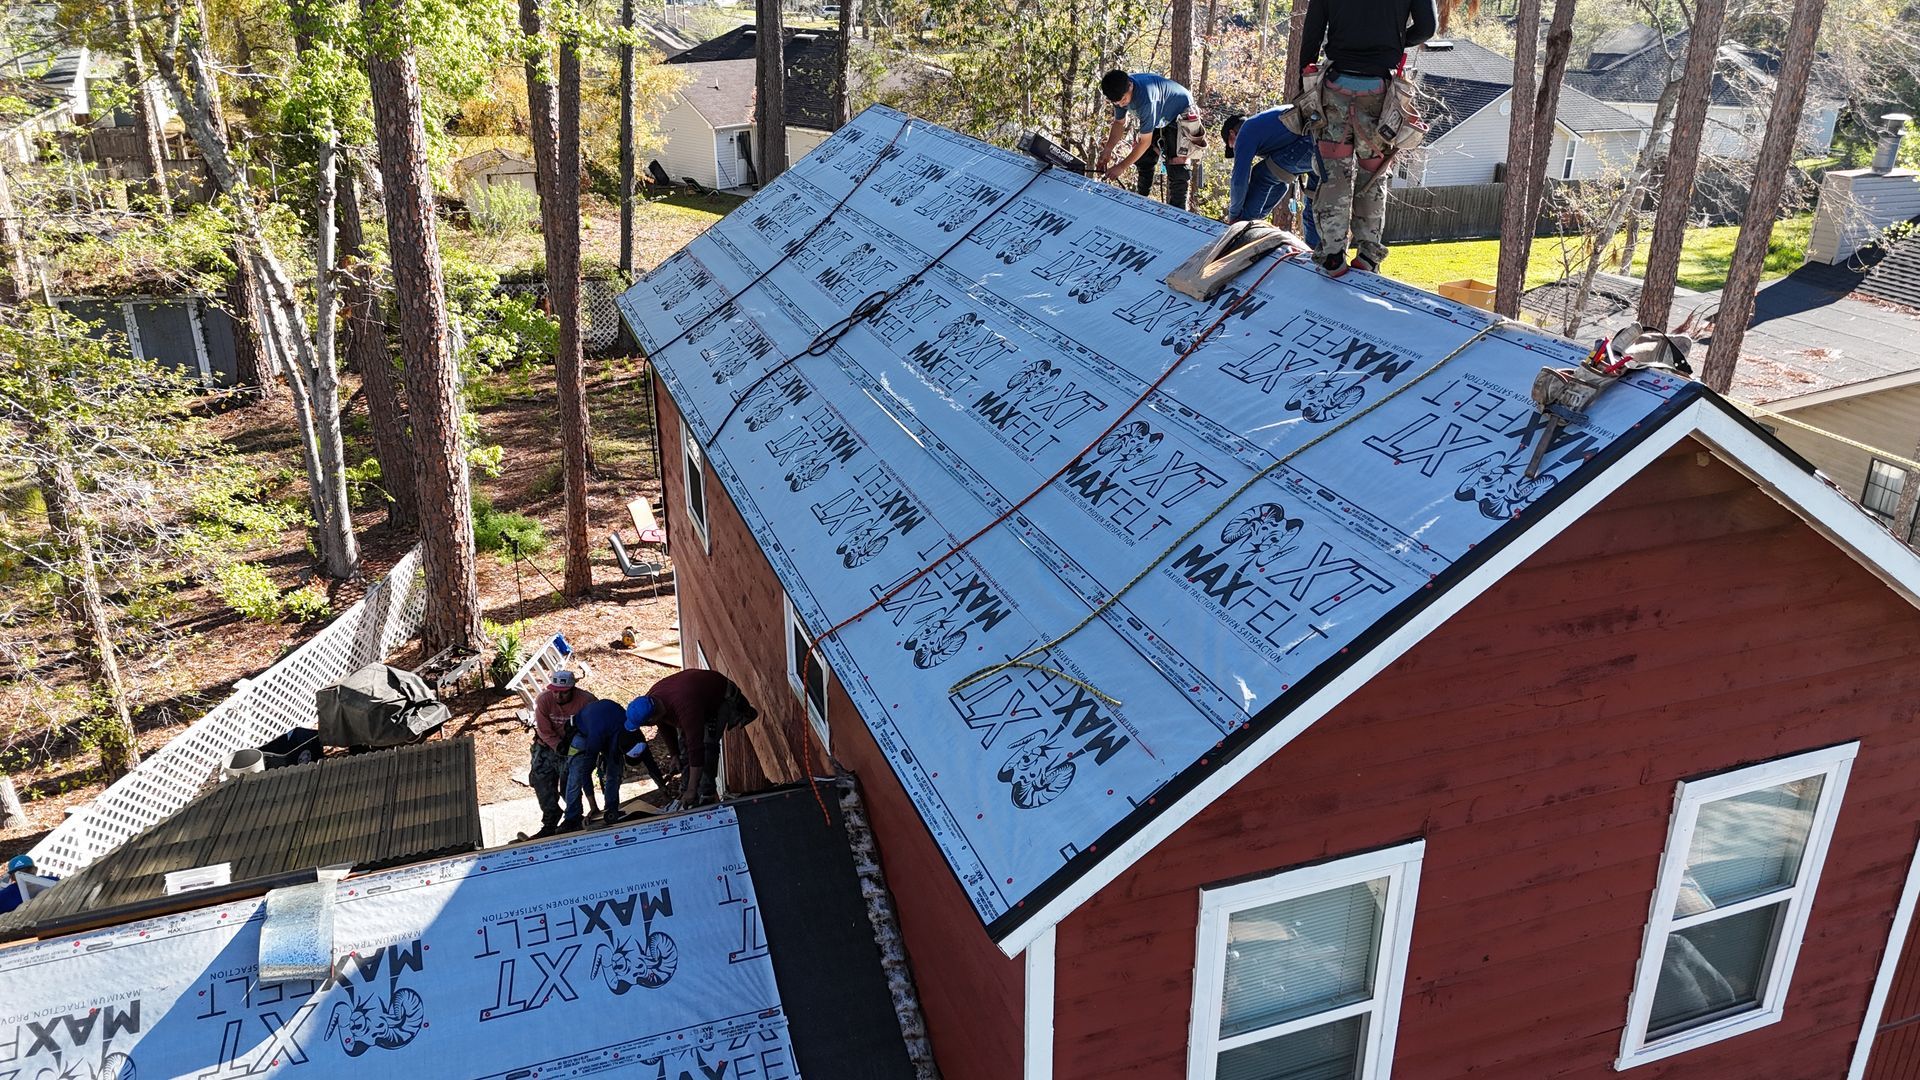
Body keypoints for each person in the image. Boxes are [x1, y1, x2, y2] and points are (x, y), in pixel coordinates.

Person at [1299, 0, 1437, 275]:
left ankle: (1332, 256)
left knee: (1333, 175)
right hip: (1379, 92)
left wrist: (1302, 86)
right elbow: (1426, 28)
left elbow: (1312, 31)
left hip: (1335, 88)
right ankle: (1368, 255)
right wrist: (1394, 40)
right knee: (1372, 175)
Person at [627, 668, 758, 811]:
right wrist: (675, 755)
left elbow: (697, 750)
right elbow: (663, 725)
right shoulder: (650, 701)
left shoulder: (686, 707)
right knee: (685, 750)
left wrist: (692, 789)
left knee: (707, 748)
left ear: (651, 718)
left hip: (719, 698)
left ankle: (706, 798)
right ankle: (687, 793)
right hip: (696, 697)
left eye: (646, 724)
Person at [1097, 70, 1201, 209]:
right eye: (1118, 103)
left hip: (1181, 113)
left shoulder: (1146, 100)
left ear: (1130, 86)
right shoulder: (1118, 93)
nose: (1122, 105)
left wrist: (1121, 167)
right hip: (1159, 115)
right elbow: (1119, 123)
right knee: (1144, 158)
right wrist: (1108, 149)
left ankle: (1178, 212)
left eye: (1124, 101)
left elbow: (1144, 142)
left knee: (1177, 166)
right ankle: (1141, 200)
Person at [1222, 108, 1322, 247]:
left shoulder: (1245, 132)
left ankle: (1244, 229)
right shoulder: (1267, 128)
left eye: (1231, 146)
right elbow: (1281, 184)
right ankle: (1315, 251)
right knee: (1313, 199)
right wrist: (1261, 214)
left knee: (1260, 174)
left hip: (1311, 143)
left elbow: (1239, 180)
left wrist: (1234, 216)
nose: (1235, 149)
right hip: (1326, 141)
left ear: (1232, 134)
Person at [529, 669, 596, 838]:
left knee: (569, 785)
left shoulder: (587, 701)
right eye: (555, 692)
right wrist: (558, 746)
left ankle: (574, 818)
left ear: (573, 689)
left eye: (563, 693)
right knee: (542, 783)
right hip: (546, 746)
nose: (558, 696)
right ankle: (550, 822)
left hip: (574, 748)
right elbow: (544, 730)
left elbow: (595, 725)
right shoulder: (544, 700)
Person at [561, 698, 629, 831]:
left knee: (614, 769)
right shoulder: (594, 741)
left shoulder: (631, 731)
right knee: (578, 771)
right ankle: (572, 818)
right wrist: (593, 807)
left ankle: (611, 808)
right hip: (583, 732)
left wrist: (662, 786)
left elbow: (648, 760)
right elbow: (586, 774)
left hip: (607, 727)